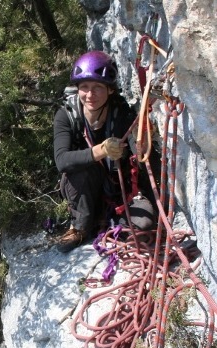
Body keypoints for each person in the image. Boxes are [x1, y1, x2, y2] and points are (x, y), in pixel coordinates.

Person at [53, 50, 155, 253]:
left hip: (119, 189)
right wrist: (101, 150)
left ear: (109, 90)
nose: (90, 95)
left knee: (143, 226)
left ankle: (109, 220)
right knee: (82, 169)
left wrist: (137, 147)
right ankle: (81, 227)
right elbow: (62, 160)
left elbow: (138, 153)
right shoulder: (66, 116)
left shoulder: (121, 113)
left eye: (98, 87)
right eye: (84, 88)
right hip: (85, 188)